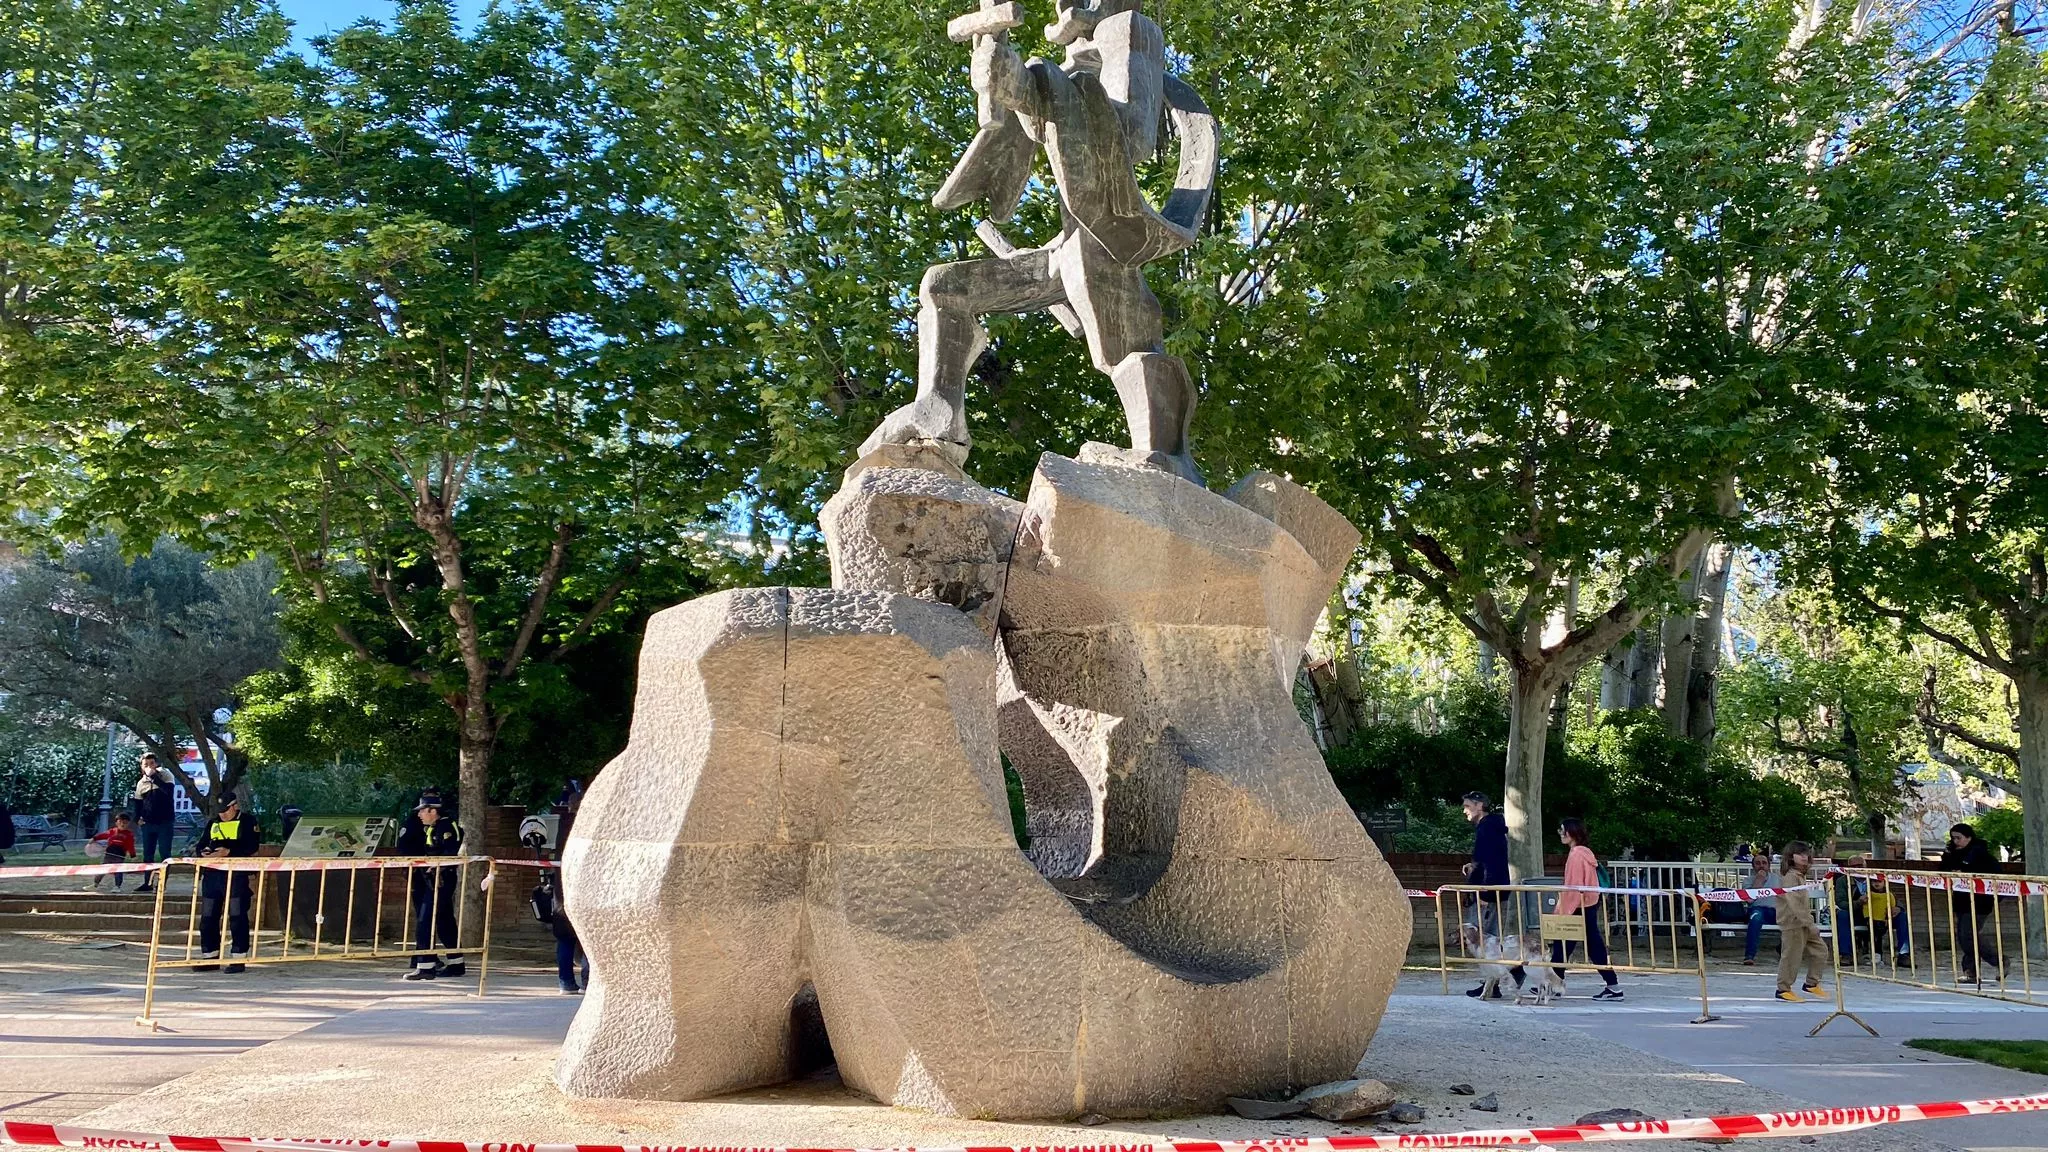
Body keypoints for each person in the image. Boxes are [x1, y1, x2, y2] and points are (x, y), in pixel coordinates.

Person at [1550, 818, 1623, 1000]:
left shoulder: (1576, 855)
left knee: (1569, 944)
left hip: (1578, 904)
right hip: (1588, 902)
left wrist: (1563, 909)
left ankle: (1612, 986)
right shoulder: (1585, 853)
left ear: (1571, 833)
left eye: (1562, 830)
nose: (1560, 834)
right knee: (1574, 945)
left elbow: (1574, 886)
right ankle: (1555, 984)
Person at [396, 791, 465, 981]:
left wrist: (436, 866)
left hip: (441, 879)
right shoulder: (433, 827)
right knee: (444, 921)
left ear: (432, 811)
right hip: (432, 879)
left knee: (425, 920)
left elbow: (450, 852)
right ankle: (456, 963)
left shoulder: (447, 826)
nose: (419, 815)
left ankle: (425, 966)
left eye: (422, 811)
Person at [1460, 791, 1523, 997]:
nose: (1465, 810)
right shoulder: (1490, 828)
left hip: (1487, 891)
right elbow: (1488, 860)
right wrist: (1474, 867)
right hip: (1489, 888)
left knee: (1485, 939)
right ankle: (1493, 982)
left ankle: (1497, 980)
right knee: (1488, 938)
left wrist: (1485, 893)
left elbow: (1492, 863)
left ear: (1479, 806)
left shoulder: (1487, 828)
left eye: (1468, 806)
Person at [195, 796, 261, 973]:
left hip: (236, 874)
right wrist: (204, 852)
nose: (222, 814)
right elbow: (201, 844)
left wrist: (229, 852)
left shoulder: (248, 821)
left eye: (225, 810)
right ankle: (209, 956)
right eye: (220, 811)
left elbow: (252, 846)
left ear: (235, 806)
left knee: (237, 916)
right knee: (208, 917)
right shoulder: (213, 823)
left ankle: (238, 958)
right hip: (212, 874)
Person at [1941, 822, 2000, 984]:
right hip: (1961, 900)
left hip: (1981, 901)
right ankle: (1971, 972)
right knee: (1964, 936)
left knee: (1968, 935)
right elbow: (1943, 870)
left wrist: (1965, 872)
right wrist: (1948, 857)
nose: (1955, 841)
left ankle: (1997, 961)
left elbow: (1994, 875)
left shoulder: (1980, 853)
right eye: (1953, 838)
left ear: (1968, 837)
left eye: (1958, 838)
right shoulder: (1951, 852)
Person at [1774, 841, 1830, 1002]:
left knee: (1821, 951)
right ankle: (1783, 989)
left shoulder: (1800, 875)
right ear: (1791, 856)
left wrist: (1808, 922)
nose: (1804, 857)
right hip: (1793, 922)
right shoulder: (1790, 876)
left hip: (1804, 922)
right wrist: (1810, 924)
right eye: (1800, 854)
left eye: (1806, 854)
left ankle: (1811, 983)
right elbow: (1793, 904)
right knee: (1791, 956)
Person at [131, 753, 178, 892]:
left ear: (156, 764)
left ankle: (162, 883)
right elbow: (138, 804)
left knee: (164, 852)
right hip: (148, 824)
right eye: (145, 765)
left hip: (165, 821)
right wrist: (137, 818)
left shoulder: (165, 775)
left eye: (151, 764)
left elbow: (168, 792)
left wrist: (154, 777)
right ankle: (148, 882)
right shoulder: (141, 783)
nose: (149, 767)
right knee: (148, 854)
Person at [1741, 847, 1781, 966]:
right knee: (1755, 918)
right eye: (1758, 863)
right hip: (1757, 910)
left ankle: (1783, 949)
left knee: (1792, 919)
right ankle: (1749, 955)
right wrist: (1759, 880)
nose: (1761, 866)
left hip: (1776, 911)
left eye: (1764, 863)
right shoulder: (1748, 881)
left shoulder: (1778, 879)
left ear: (1769, 865)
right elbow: (1749, 900)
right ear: (1753, 866)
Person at [88, 813, 137, 891]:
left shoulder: (129, 835)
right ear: (116, 822)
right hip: (108, 855)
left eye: (125, 822)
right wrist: (94, 838)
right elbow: (103, 835)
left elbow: (130, 846)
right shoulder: (112, 831)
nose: (122, 824)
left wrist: (133, 856)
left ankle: (117, 887)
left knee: (118, 871)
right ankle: (95, 884)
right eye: (120, 822)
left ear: (128, 823)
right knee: (102, 870)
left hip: (119, 856)